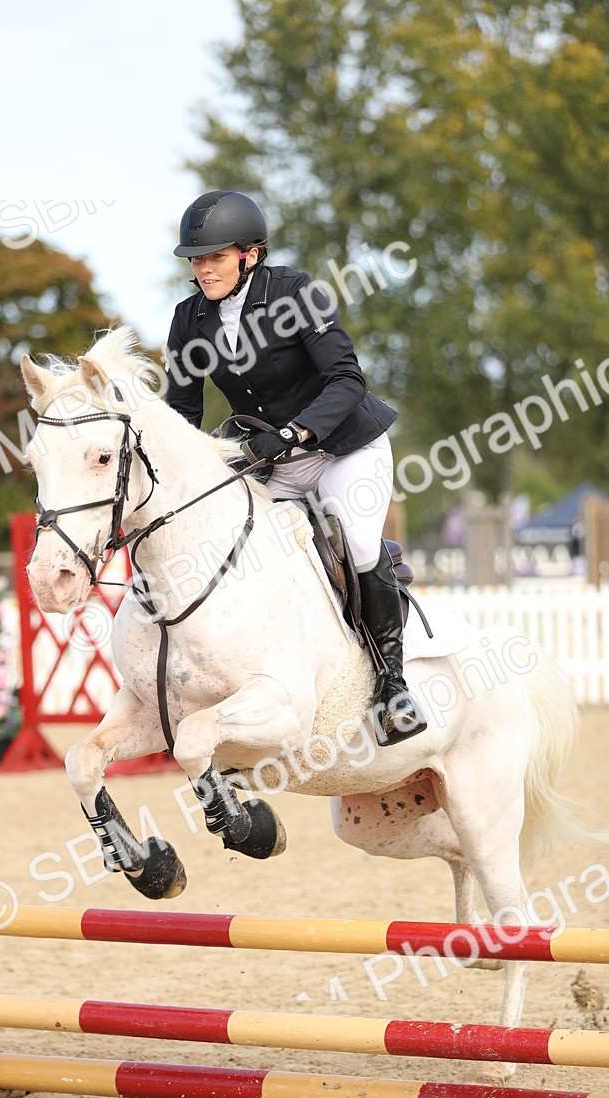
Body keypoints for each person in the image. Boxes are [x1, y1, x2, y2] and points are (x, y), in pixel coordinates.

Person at [165, 189, 426, 746]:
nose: (202, 268)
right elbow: (183, 415)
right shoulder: (189, 319)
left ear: (250, 254)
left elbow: (347, 380)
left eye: (213, 256)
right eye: (195, 258)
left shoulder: (295, 294)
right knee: (249, 552)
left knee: (354, 541)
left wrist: (292, 433)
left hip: (343, 447)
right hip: (271, 460)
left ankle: (392, 686)